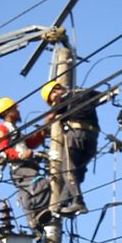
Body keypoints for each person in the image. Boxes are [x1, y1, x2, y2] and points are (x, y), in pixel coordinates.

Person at [0, 97, 52, 236]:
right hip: (19, 167)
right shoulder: (2, 128)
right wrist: (20, 155)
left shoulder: (14, 129)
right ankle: (39, 213)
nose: (18, 111)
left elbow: (29, 143)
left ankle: (34, 222)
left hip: (26, 166)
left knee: (25, 193)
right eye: (15, 109)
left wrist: (43, 131)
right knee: (41, 183)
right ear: (8, 111)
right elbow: (4, 148)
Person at [40, 81, 100, 216]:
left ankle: (78, 202)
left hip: (76, 136)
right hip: (92, 139)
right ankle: (61, 204)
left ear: (54, 92)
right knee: (77, 173)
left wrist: (42, 130)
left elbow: (50, 117)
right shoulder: (83, 93)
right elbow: (102, 97)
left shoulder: (64, 99)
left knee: (67, 170)